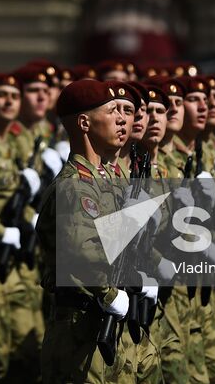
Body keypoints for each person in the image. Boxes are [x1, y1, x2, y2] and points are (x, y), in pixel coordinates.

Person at [36, 79, 139, 384]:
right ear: (84, 122)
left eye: (124, 112)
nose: (122, 119)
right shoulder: (75, 184)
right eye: (111, 111)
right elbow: (82, 251)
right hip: (80, 329)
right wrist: (110, 293)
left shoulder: (103, 180)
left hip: (102, 323)